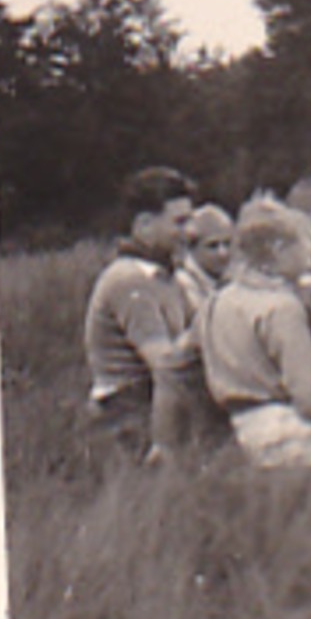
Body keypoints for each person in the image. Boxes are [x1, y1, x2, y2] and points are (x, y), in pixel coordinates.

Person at [198, 198, 311, 468]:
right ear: (280, 250)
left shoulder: (218, 298)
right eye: (308, 243)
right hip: (281, 429)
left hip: (243, 424)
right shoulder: (282, 307)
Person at [82, 166, 201, 462]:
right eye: (180, 222)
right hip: (127, 414)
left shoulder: (167, 275)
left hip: (154, 401)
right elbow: (167, 364)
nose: (191, 232)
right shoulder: (130, 280)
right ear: (145, 225)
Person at [175, 202, 234, 315]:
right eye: (213, 246)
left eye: (227, 244)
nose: (223, 253)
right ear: (191, 248)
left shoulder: (229, 280)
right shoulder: (182, 288)